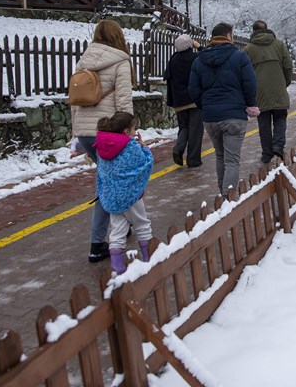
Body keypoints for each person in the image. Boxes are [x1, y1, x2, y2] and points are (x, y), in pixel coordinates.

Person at [70, 19, 135, 263]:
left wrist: (77, 134)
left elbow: (74, 100)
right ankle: (98, 244)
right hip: (109, 132)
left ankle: (123, 225)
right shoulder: (120, 61)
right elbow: (124, 100)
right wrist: (128, 131)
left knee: (110, 180)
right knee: (112, 184)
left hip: (86, 132)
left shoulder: (83, 60)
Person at [188, 22, 259, 198]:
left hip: (211, 117)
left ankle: (222, 195)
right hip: (234, 116)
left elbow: (193, 89)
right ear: (228, 36)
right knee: (232, 160)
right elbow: (250, 84)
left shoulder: (199, 61)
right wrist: (250, 104)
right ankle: (228, 199)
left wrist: (204, 105)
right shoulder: (240, 57)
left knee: (220, 156)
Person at [94, 111, 154, 274]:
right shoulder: (130, 146)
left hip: (113, 197)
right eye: (134, 129)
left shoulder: (102, 145)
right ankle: (148, 260)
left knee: (117, 232)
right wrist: (144, 147)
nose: (135, 133)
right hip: (131, 196)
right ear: (126, 131)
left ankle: (118, 268)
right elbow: (145, 163)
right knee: (142, 224)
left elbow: (104, 171)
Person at [244, 20, 294, 164]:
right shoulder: (279, 44)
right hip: (278, 88)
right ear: (267, 30)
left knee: (264, 124)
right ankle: (278, 145)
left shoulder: (248, 49)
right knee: (280, 117)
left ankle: (267, 154)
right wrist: (284, 82)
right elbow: (288, 65)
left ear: (253, 32)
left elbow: (245, 73)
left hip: (259, 92)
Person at [164, 34, 203, 168]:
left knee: (184, 126)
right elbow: (208, 57)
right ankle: (193, 159)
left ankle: (178, 148)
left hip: (179, 101)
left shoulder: (173, 60)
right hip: (195, 99)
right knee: (196, 129)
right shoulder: (195, 58)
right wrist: (199, 46)